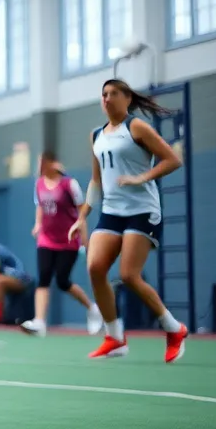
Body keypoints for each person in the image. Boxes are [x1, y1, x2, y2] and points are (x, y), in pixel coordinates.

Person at [71, 79, 187, 362]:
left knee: (128, 276)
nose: (107, 98)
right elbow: (96, 181)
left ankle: (173, 329)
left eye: (113, 93)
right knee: (96, 268)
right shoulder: (96, 135)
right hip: (112, 211)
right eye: (103, 95)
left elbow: (172, 159)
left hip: (142, 209)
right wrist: (82, 216)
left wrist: (141, 177)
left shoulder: (136, 127)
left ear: (126, 99)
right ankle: (115, 338)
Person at [20, 150, 102, 337]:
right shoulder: (39, 184)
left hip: (68, 239)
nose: (39, 166)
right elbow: (40, 206)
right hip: (46, 239)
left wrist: (85, 241)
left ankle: (92, 308)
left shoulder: (69, 184)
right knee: (44, 277)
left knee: (63, 281)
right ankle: (39, 322)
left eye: (43, 162)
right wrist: (38, 224)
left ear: (53, 164)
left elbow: (82, 213)